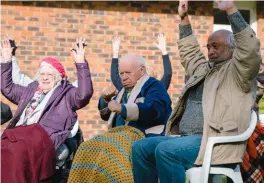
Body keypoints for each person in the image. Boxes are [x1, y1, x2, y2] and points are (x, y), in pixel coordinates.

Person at [131, 0, 261, 183]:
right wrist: (184, 18)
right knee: (140, 148)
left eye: (216, 46)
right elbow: (190, 52)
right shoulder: (204, 69)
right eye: (208, 47)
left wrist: (231, 9)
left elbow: (249, 48)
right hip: (187, 139)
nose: (210, 50)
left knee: (166, 152)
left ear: (233, 49)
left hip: (214, 141)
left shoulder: (239, 73)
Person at [68, 53, 172, 183]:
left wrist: (122, 108)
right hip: (117, 136)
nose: (124, 78)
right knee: (86, 147)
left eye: (128, 73)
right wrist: (105, 99)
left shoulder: (154, 86)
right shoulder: (123, 90)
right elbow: (106, 115)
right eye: (121, 74)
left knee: (112, 150)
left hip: (143, 137)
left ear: (142, 70)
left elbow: (155, 109)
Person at [0, 37, 93, 183]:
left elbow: (84, 94)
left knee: (15, 153)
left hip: (44, 139)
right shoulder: (31, 90)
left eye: (49, 75)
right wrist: (6, 61)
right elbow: (7, 88)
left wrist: (80, 63)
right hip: (20, 136)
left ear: (57, 78)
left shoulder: (66, 94)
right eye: (41, 74)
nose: (44, 78)